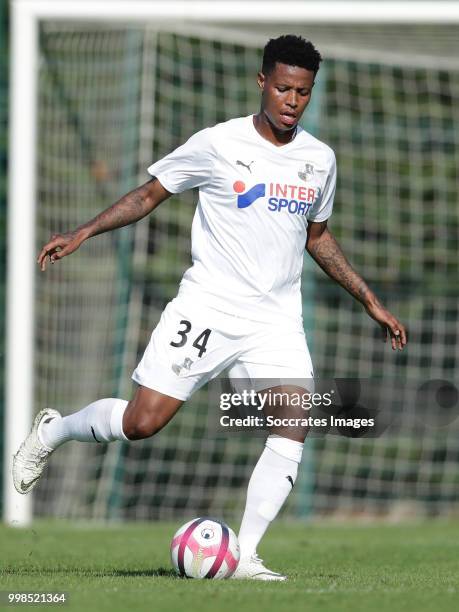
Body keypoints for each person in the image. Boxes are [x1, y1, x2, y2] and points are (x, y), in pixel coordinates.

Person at [13, 35, 407, 580]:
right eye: (285, 88)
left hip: (273, 320)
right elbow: (149, 195)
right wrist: (84, 230)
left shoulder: (320, 160)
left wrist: (370, 300)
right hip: (207, 309)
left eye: (304, 93)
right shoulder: (217, 143)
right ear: (262, 82)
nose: (293, 101)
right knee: (141, 423)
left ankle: (245, 555)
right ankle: (55, 430)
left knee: (295, 417)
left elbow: (317, 236)